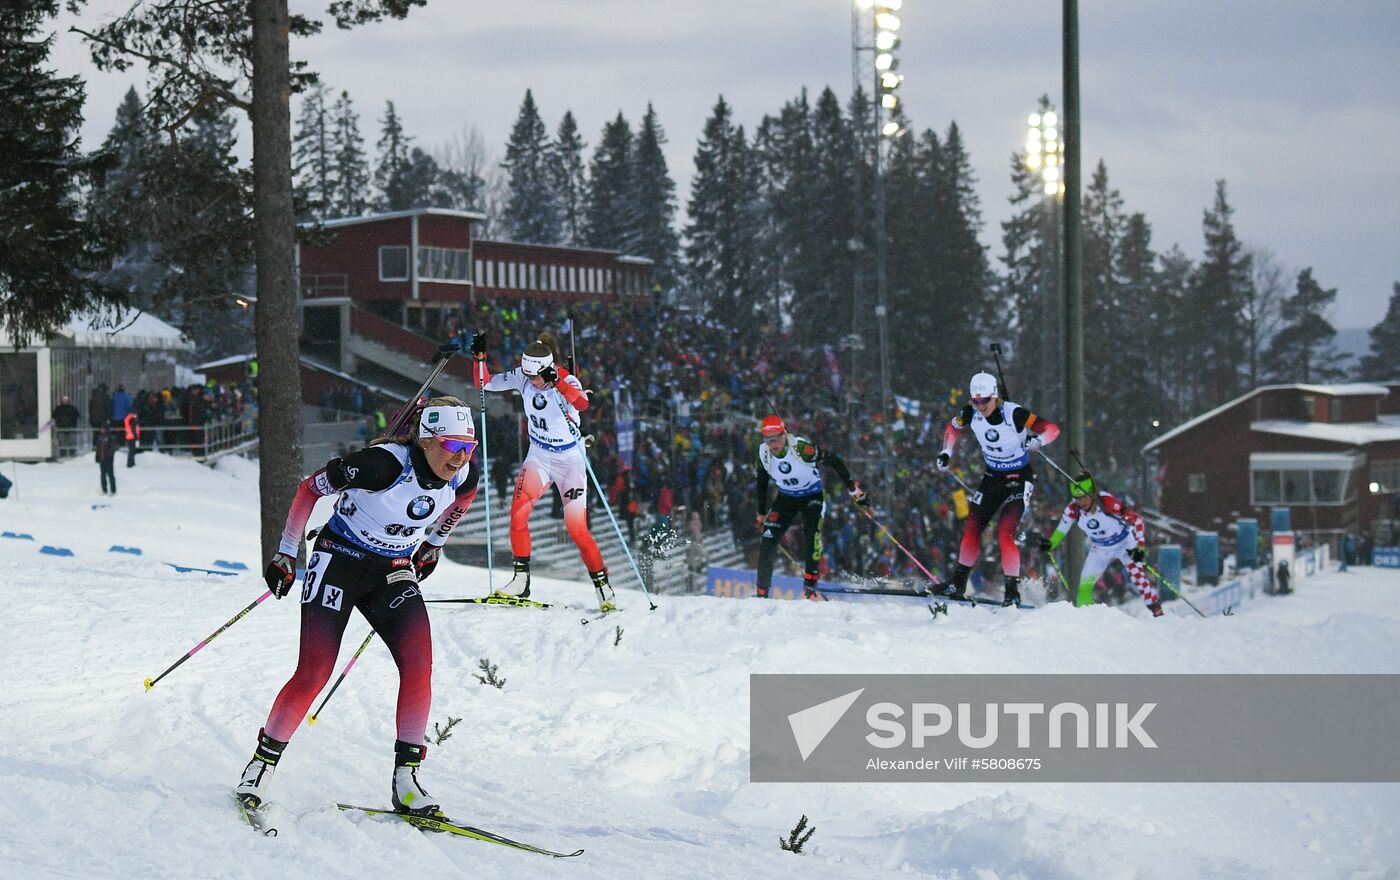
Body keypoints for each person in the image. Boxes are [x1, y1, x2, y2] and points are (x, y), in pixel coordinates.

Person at [234, 398, 481, 816]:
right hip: (339, 560)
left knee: (419, 666)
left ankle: (406, 779)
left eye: (468, 448)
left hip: (392, 569)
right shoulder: (380, 465)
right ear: (426, 440)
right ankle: (262, 763)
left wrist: (434, 545)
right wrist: (285, 554)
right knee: (314, 671)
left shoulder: (463, 474)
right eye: (453, 446)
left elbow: (462, 501)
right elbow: (309, 489)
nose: (460, 458)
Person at [472, 332, 616, 611]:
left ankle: (603, 587)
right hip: (539, 456)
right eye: (528, 377)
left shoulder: (566, 379)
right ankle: (521, 581)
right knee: (517, 514)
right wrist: (479, 358)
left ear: (548, 369)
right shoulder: (524, 376)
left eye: (537, 377)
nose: (532, 382)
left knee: (576, 529)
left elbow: (583, 404)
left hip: (569, 460)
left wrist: (558, 382)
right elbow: (484, 383)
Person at [935, 371, 1060, 606]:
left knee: (1005, 531)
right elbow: (951, 429)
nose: (980, 406)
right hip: (992, 477)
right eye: (975, 400)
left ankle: (1012, 591)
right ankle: (957, 582)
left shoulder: (1014, 413)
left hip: (1018, 478)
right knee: (972, 526)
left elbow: (1052, 429)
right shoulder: (969, 413)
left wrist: (1038, 441)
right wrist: (946, 452)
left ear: (994, 396)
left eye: (984, 400)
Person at [753, 414, 867, 600]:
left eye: (776, 438)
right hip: (786, 497)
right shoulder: (763, 453)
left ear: (785, 434)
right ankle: (761, 593)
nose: (773, 444)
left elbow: (834, 460)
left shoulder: (800, 449)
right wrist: (761, 512)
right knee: (767, 541)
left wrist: (853, 489)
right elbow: (762, 481)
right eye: (768, 439)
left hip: (811, 495)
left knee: (811, 533)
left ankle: (810, 587)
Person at [1039, 472, 1162, 616]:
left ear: (1091, 493)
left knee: (1138, 579)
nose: (1081, 502)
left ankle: (1156, 610)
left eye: (1084, 497)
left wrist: (1140, 546)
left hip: (1124, 543)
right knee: (1084, 586)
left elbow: (1137, 520)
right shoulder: (1072, 509)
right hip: (1100, 548)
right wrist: (1050, 544)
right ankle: (1088, 621)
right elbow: (1061, 531)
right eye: (1077, 498)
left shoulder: (1107, 503)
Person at [95, 425, 117, 496]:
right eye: (101, 429)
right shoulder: (99, 437)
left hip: (108, 459)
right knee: (102, 475)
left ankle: (113, 490)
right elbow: (98, 448)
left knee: (110, 475)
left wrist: (108, 456)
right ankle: (104, 490)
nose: (102, 430)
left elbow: (112, 449)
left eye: (103, 429)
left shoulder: (111, 437)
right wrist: (97, 456)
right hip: (102, 459)